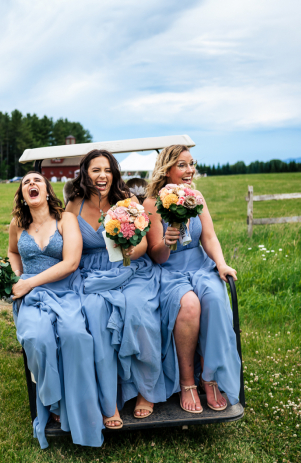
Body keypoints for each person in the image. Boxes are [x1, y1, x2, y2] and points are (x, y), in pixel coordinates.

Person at [65, 150, 166, 429]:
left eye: (107, 170)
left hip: (129, 268)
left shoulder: (128, 200)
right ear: (85, 173)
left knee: (138, 310)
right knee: (94, 316)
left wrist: (131, 250)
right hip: (91, 274)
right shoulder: (74, 204)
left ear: (114, 173)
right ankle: (108, 401)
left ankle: (147, 390)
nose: (102, 176)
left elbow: (144, 243)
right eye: (96, 170)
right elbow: (63, 241)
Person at [8, 171, 103, 448]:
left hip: (65, 291)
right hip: (30, 295)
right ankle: (55, 402)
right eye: (26, 182)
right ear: (23, 196)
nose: (32, 184)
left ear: (48, 191)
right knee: (38, 339)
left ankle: (78, 406)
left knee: (75, 336)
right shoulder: (17, 223)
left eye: (37, 180)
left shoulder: (66, 220)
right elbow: (13, 252)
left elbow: (71, 263)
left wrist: (29, 283)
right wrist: (17, 277)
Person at [144, 144, 241, 413]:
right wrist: (166, 241)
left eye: (191, 164)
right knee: (189, 306)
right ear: (167, 170)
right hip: (169, 270)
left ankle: (209, 378)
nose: (190, 170)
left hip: (200, 265)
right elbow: (156, 255)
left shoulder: (196, 197)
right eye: (183, 165)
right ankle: (187, 381)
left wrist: (221, 264)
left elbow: (208, 237)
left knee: (213, 298)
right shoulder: (151, 204)